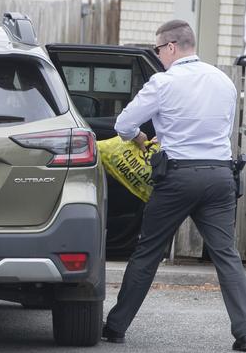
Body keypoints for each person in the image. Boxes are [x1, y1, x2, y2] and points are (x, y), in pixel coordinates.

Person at [102, 20, 246, 350]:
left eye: (158, 50)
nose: (159, 56)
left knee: (148, 252)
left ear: (170, 47)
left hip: (178, 177)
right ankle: (244, 331)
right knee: (226, 256)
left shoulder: (164, 82)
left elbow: (124, 123)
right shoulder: (223, 81)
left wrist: (139, 137)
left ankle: (116, 327)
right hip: (220, 176)